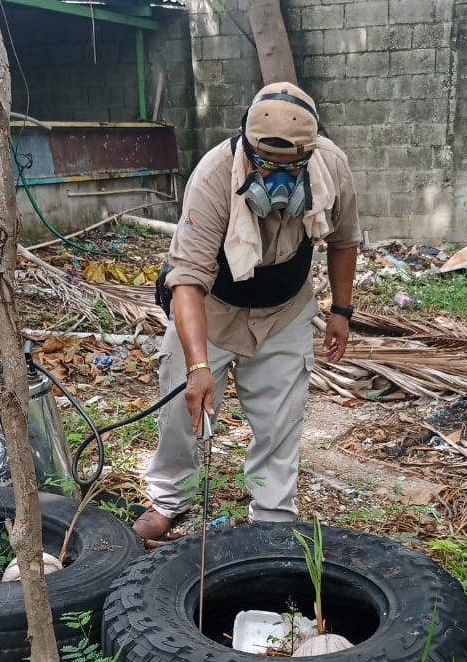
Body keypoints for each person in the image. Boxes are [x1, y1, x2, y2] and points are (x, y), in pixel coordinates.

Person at [133, 81, 361, 541]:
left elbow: (343, 240)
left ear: (309, 153)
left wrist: (342, 309)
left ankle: (273, 517)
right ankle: (169, 499)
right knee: (181, 410)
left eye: (290, 166)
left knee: (280, 421)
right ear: (248, 147)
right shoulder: (214, 175)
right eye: (266, 164)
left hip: (284, 312)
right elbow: (188, 278)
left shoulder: (331, 165)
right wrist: (197, 365)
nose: (278, 178)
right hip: (210, 309)